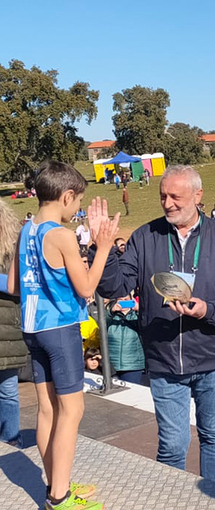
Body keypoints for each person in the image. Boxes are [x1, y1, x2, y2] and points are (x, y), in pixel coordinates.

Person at [90, 165, 215, 485]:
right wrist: (103, 248)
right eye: (163, 196)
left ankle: (213, 501)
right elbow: (113, 287)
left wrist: (209, 309)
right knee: (172, 447)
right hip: (164, 361)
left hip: (212, 359)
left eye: (176, 196)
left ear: (198, 195)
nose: (168, 203)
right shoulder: (144, 237)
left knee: (213, 437)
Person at [7, 161, 121, 510]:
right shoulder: (62, 235)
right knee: (71, 412)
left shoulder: (27, 228)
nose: (78, 211)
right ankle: (58, 497)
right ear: (67, 196)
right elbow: (87, 287)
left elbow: (12, 285)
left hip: (31, 329)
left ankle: (58, 481)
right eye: (78, 203)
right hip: (60, 329)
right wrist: (103, 247)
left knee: (46, 411)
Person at [0, 200, 27, 450]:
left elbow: (21, 286)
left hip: (7, 330)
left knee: (8, 391)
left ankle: (10, 438)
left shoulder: (12, 250)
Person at [106, 295, 147, 385]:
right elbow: (101, 322)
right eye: (120, 300)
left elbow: (147, 321)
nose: (123, 302)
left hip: (133, 366)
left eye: (126, 300)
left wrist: (139, 309)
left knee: (130, 394)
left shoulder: (136, 316)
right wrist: (111, 311)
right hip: (112, 365)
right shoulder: (111, 317)